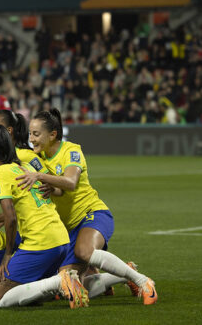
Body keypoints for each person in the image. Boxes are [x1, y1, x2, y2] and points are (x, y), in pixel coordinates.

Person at [19, 108, 157, 305]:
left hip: (92, 214)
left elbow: (71, 182)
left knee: (84, 251)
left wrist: (39, 176)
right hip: (69, 229)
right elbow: (58, 191)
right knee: (68, 285)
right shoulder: (38, 157)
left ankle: (142, 281)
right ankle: (121, 275)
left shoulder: (71, 151)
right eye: (30, 133)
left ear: (53, 134)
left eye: (36, 134)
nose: (31, 139)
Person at [0, 125, 87, 308]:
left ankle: (58, 282)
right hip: (61, 239)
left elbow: (11, 217)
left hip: (41, 241)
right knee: (27, 293)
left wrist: (8, 254)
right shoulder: (25, 167)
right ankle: (59, 283)